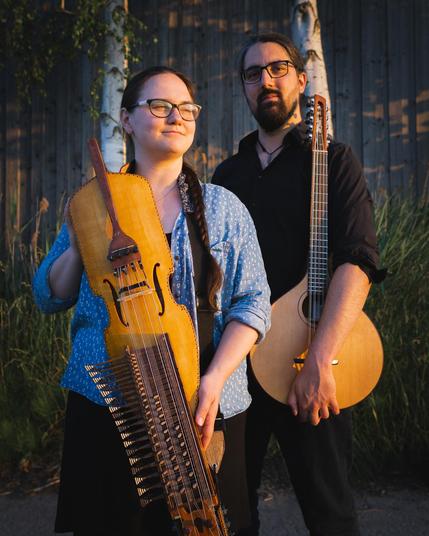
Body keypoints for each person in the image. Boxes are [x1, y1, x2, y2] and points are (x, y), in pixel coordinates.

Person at [33, 65, 271, 536]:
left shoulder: (224, 207)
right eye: (159, 106)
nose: (176, 117)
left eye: (186, 108)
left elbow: (252, 304)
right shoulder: (92, 203)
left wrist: (213, 380)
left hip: (207, 403)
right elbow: (49, 296)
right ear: (126, 119)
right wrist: (85, 233)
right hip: (109, 406)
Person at [212, 33, 386, 536]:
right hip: (240, 367)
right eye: (252, 73)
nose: (265, 80)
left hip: (312, 357)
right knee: (232, 514)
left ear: (300, 80)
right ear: (243, 87)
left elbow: (359, 259)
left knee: (330, 513)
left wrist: (318, 361)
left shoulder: (335, 160)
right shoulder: (227, 176)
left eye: (277, 68)